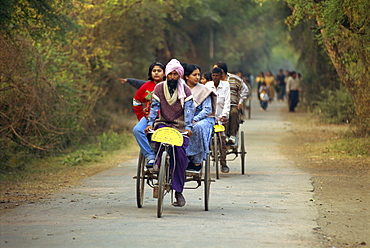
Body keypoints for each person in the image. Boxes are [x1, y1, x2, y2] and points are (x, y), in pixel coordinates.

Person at [144, 59, 194, 207]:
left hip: (180, 127)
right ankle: (159, 164)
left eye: (175, 74)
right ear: (167, 75)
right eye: (170, 74)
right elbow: (154, 108)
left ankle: (178, 192)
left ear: (179, 75)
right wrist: (149, 123)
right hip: (162, 124)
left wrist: (189, 126)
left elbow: (189, 110)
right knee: (158, 140)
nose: (172, 77)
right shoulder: (159, 88)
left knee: (180, 156)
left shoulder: (186, 91)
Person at [131, 62, 166, 167]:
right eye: (154, 71)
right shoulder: (146, 86)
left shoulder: (168, 85)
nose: (156, 73)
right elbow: (136, 101)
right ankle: (150, 156)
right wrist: (140, 117)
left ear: (164, 73)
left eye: (159, 71)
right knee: (137, 130)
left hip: (165, 118)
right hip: (148, 117)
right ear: (150, 73)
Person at [184, 64, 216, 172]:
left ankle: (196, 161)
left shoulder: (204, 90)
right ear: (186, 76)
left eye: (198, 74)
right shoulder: (181, 89)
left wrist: (195, 119)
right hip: (184, 117)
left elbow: (207, 110)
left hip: (204, 118)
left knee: (197, 128)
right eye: (194, 75)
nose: (197, 77)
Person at [213, 61, 248, 146]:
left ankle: (232, 135)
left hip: (232, 104)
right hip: (218, 104)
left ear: (222, 71)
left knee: (233, 112)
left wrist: (240, 102)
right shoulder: (214, 80)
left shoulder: (234, 79)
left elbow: (245, 89)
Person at [205, 67, 230, 173]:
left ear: (221, 76)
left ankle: (223, 163)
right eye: (213, 76)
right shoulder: (207, 86)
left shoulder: (226, 85)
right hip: (209, 117)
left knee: (222, 138)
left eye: (217, 76)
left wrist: (224, 115)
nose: (215, 78)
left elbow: (227, 101)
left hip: (220, 118)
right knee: (204, 138)